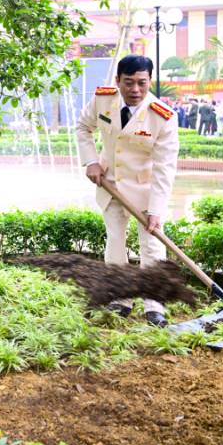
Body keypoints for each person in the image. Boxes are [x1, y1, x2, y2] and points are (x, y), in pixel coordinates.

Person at [75, 54, 179, 327]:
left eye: (142, 83)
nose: (136, 90)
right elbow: (83, 126)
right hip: (109, 185)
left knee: (153, 247)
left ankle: (154, 306)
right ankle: (120, 299)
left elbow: (165, 169)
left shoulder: (163, 117)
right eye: (129, 83)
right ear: (118, 81)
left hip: (144, 191)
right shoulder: (103, 100)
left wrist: (156, 211)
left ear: (150, 82)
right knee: (115, 244)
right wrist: (92, 161)